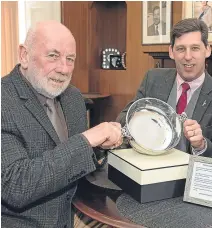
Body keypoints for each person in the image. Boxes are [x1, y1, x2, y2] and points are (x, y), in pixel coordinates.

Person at [1, 21, 123, 228]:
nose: (64, 69)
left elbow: (78, 161)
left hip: (77, 211)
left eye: (70, 59)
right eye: (53, 56)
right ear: (24, 55)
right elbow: (15, 187)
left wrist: (100, 147)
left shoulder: (73, 97)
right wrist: (87, 140)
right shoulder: (3, 101)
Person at [117, 18, 212, 159]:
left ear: (207, 50)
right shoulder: (153, 78)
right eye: (181, 49)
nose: (187, 56)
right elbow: (123, 118)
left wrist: (201, 144)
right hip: (148, 165)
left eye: (195, 48)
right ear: (171, 52)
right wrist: (138, 121)